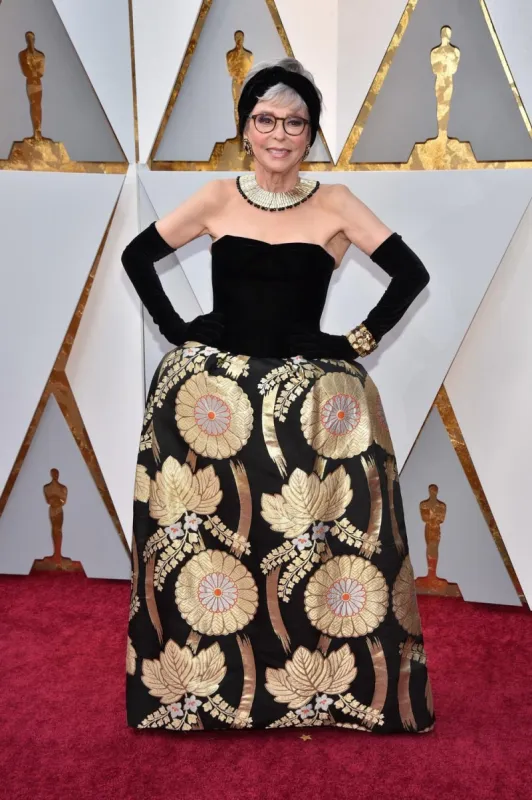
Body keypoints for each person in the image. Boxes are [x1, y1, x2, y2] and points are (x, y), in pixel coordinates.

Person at [122, 57, 434, 735]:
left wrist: (358, 339)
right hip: (217, 400)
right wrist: (179, 329)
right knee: (209, 540)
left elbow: (410, 273)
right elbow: (136, 257)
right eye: (265, 119)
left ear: (312, 134)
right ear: (246, 128)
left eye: (295, 122)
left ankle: (324, 686)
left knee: (321, 542)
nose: (280, 134)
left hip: (310, 401)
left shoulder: (336, 203)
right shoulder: (215, 196)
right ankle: (199, 688)